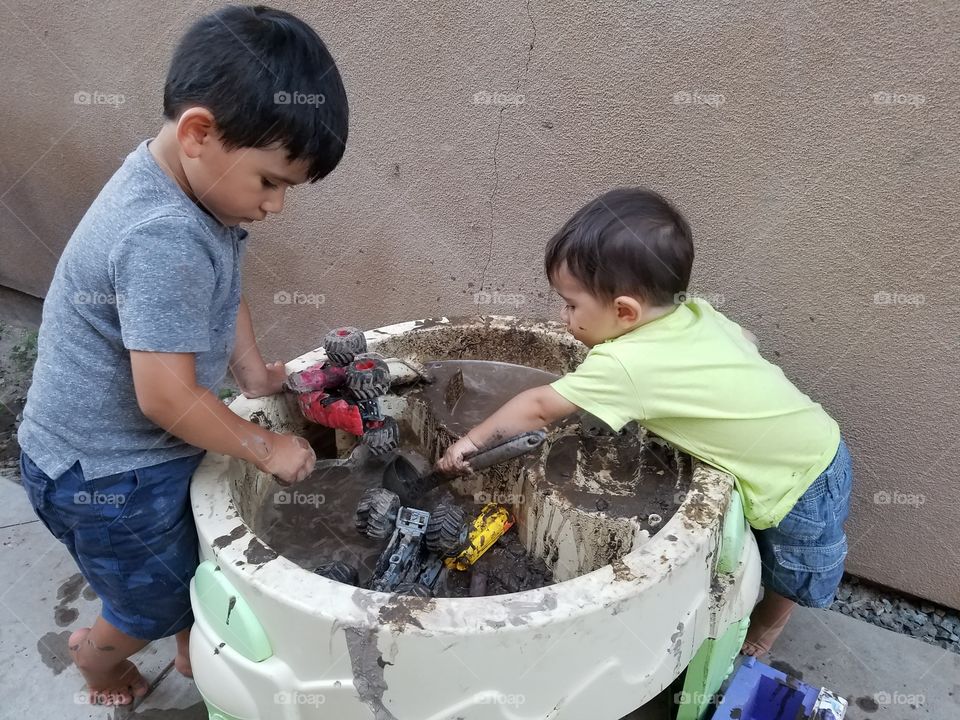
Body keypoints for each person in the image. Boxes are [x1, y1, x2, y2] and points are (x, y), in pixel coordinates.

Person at [17, 5, 348, 705]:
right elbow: (164, 397)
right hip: (107, 473)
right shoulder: (162, 235)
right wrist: (263, 446)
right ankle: (95, 658)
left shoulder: (195, 196)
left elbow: (220, 291)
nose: (276, 206)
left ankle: (188, 629)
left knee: (181, 566)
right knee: (146, 603)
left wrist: (252, 374)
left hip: (117, 450)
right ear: (200, 132)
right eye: (271, 181)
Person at [439, 186, 853, 659]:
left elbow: (537, 407)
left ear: (624, 312)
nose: (563, 314)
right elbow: (747, 339)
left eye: (571, 305)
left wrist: (468, 443)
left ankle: (765, 630)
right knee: (784, 554)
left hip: (798, 484)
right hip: (818, 440)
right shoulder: (696, 312)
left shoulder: (625, 365)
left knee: (793, 569)